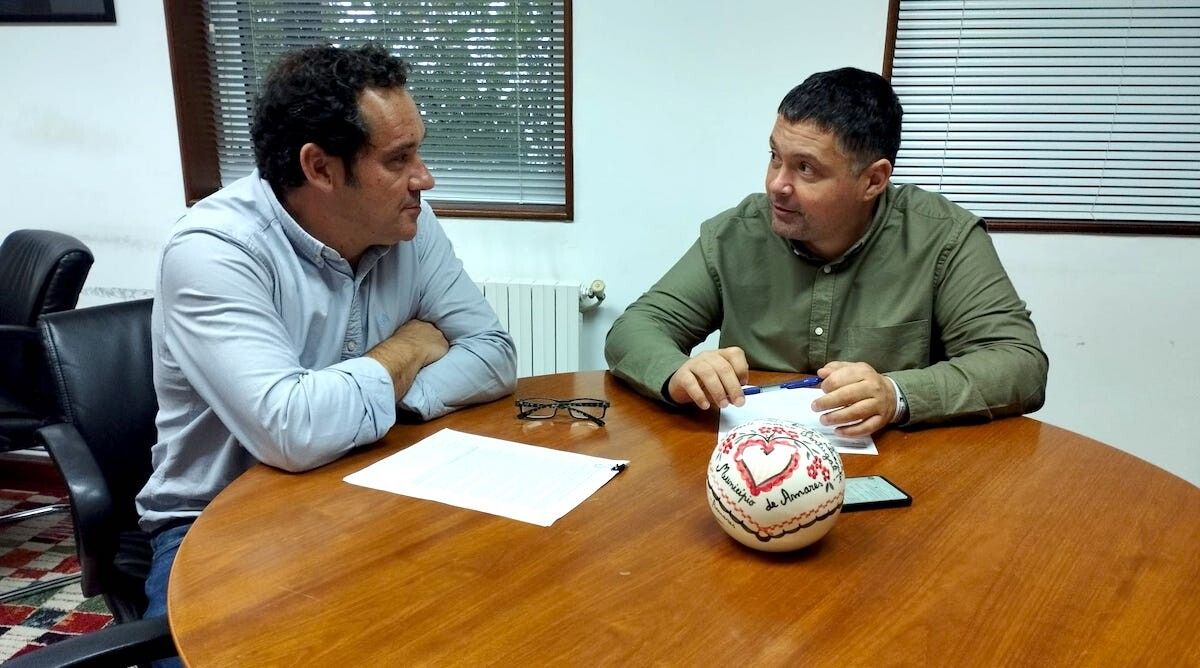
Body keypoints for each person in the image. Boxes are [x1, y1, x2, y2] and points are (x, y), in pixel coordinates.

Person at [137, 44, 517, 626]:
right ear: (320, 168)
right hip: (214, 526)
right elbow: (291, 429)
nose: (425, 178)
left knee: (487, 611)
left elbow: (493, 355)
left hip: (370, 487)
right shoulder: (216, 251)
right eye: (399, 159)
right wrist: (408, 349)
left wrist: (381, 404)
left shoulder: (411, 225)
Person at [605, 67, 1047, 437]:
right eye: (775, 157)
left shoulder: (943, 238)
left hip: (898, 467)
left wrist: (897, 395)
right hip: (751, 462)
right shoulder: (735, 234)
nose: (777, 183)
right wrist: (678, 374)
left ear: (873, 181)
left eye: (806, 168)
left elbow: (1019, 363)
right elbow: (637, 327)